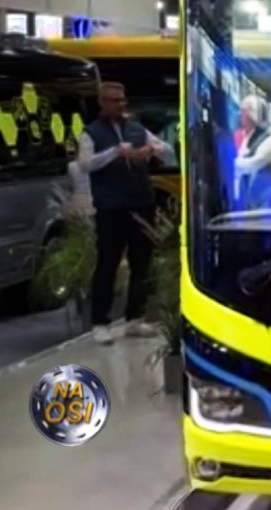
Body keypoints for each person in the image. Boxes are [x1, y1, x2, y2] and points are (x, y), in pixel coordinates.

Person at [77, 82, 174, 344]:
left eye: (122, 99)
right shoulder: (90, 133)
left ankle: (135, 318)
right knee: (107, 263)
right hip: (111, 208)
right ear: (102, 103)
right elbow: (85, 164)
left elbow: (167, 150)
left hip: (141, 204)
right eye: (114, 100)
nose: (121, 105)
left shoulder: (137, 128)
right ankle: (100, 322)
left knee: (141, 262)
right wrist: (115, 152)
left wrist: (151, 150)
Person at [233, 94, 271, 208]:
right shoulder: (243, 138)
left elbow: (253, 164)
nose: (240, 114)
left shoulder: (269, 140)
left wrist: (231, 164)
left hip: (262, 204)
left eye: (243, 111)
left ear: (253, 114)